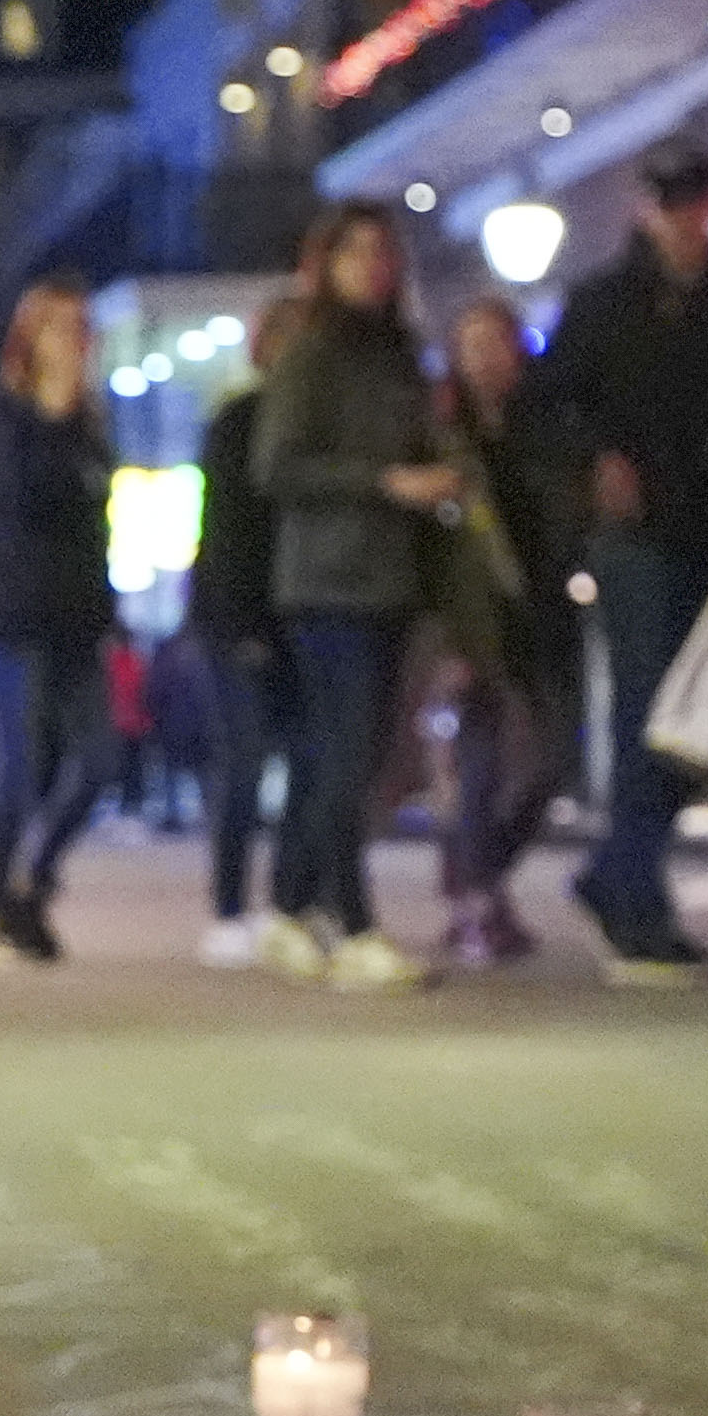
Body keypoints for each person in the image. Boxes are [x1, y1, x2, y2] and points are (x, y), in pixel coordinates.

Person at [535, 143, 708, 978]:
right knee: (652, 714)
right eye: (667, 201)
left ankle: (619, 877)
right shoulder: (605, 302)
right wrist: (600, 458)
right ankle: (634, 896)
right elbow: (547, 403)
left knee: (693, 722)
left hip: (704, 528)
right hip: (635, 540)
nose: (680, 215)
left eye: (691, 199)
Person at [247, 206, 462, 991]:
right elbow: (276, 467)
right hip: (326, 581)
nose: (374, 265)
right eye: (357, 250)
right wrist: (383, 482)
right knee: (344, 755)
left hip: (387, 579)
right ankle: (353, 921)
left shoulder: (399, 354)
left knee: (342, 756)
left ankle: (294, 908)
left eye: (385, 251)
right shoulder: (313, 352)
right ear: (326, 261)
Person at [0, 275, 121, 961]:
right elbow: (21, 500)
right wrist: (53, 415)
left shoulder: (94, 422)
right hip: (16, 618)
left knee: (100, 763)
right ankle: (0, 906)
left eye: (82, 329)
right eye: (60, 328)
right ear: (30, 341)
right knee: (17, 772)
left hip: (80, 618)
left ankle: (37, 875)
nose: (76, 342)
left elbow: (97, 519)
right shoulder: (2, 416)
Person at [430, 289, 581, 969]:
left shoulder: (545, 429)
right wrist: (444, 640)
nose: (488, 359)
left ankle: (478, 873)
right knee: (481, 762)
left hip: (543, 613)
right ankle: (478, 898)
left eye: (498, 344)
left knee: (555, 761)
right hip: (474, 621)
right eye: (473, 345)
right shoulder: (442, 437)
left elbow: (565, 518)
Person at [186, 373, 287, 960]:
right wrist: (242, 625)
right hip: (237, 625)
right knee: (242, 767)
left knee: (311, 767)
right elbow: (228, 534)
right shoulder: (239, 421)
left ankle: (295, 904)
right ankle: (229, 910)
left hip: (298, 615)